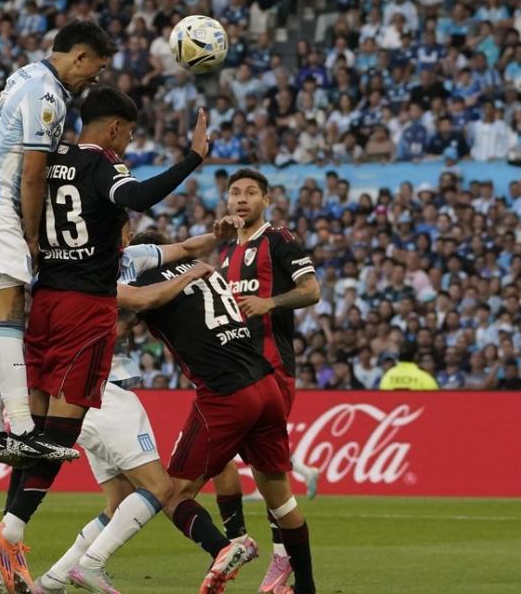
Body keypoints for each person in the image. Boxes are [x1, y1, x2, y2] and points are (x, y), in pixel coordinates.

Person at [0, 86, 210, 592]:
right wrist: (193, 158)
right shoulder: (103, 165)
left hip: (42, 302)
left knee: (36, 429)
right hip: (86, 308)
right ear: (113, 128)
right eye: (127, 134)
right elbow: (138, 197)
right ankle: (10, 529)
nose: (126, 144)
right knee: (62, 433)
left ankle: (10, 531)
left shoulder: (46, 156)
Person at [0, 20, 115, 465]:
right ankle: (21, 429)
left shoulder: (24, 74)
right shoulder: (48, 95)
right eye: (94, 68)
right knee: (8, 316)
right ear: (78, 56)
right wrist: (33, 236)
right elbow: (34, 173)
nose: (94, 79)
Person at [34, 226, 236, 594]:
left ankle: (51, 581)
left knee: (121, 501)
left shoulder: (85, 269)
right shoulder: (106, 275)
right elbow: (139, 303)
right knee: (160, 488)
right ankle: (91, 565)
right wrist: (186, 278)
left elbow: (185, 250)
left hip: (81, 399)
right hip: (104, 394)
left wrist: (216, 235)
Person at [126, 229, 318, 594]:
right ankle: (306, 587)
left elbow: (135, 304)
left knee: (171, 494)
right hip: (266, 384)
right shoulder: (202, 268)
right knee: (280, 498)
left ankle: (227, 547)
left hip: (225, 393)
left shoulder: (142, 277)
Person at [212, 168, 324, 594]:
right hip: (236, 373)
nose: (241, 199)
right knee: (253, 468)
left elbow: (312, 291)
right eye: (235, 193)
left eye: (250, 193)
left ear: (266, 200)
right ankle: (258, 552)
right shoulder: (226, 253)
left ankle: (270, 559)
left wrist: (270, 302)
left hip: (272, 372)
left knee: (265, 474)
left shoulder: (280, 239)